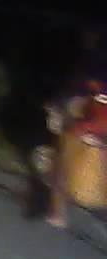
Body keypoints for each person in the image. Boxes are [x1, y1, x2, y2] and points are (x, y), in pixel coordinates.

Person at [46, 23, 107, 228]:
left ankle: (58, 209)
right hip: (88, 112)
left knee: (64, 153)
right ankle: (58, 208)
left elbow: (88, 92)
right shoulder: (90, 60)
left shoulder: (94, 61)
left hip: (90, 115)